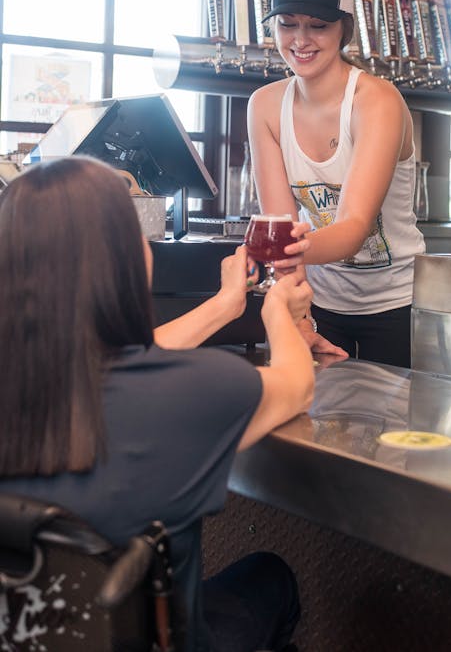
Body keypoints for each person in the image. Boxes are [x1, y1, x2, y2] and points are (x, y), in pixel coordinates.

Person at [0, 156, 315, 652]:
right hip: (158, 640)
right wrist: (278, 312)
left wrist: (226, 304)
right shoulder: (189, 393)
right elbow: (296, 385)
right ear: (130, 260)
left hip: (32, 633)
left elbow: (117, 355)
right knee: (271, 578)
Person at [248, 0, 426, 369]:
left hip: (399, 305)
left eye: (318, 25)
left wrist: (272, 249)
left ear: (344, 27)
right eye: (287, 23)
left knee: (398, 432)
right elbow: (280, 222)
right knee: (316, 426)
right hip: (321, 304)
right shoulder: (265, 107)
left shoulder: (377, 100)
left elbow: (352, 228)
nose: (300, 39)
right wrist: (300, 315)